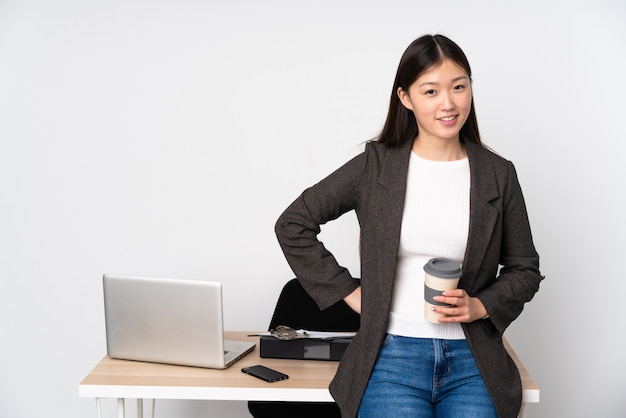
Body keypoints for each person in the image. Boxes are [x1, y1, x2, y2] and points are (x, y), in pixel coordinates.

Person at [275, 34, 543, 418]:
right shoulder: (375, 166)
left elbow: (524, 268)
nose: (448, 104)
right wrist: (348, 291)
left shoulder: (497, 175)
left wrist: (481, 305)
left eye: (458, 87)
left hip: (473, 363)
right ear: (406, 98)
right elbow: (293, 223)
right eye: (430, 91)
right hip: (391, 358)